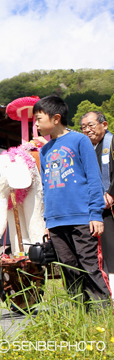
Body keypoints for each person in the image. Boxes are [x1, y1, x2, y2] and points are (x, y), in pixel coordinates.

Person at [34, 97, 111, 307]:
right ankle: (80, 316)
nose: (36, 124)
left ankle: (103, 315)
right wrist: (47, 221)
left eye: (39, 119)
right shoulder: (44, 150)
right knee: (68, 268)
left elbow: (94, 179)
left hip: (82, 218)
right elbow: (46, 188)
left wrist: (95, 214)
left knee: (89, 266)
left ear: (56, 118)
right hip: (56, 221)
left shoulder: (80, 141)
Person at [80, 111, 114, 284]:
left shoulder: (111, 142)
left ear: (105, 125)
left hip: (110, 201)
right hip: (100, 208)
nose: (87, 130)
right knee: (108, 249)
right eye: (83, 127)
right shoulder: (88, 150)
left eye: (91, 125)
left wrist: (111, 192)